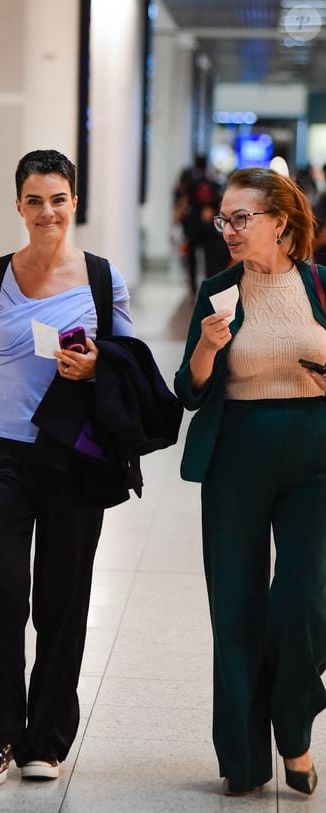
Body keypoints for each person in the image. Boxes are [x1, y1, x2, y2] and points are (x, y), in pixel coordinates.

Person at [0, 150, 136, 787]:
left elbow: (131, 365)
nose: (48, 212)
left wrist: (97, 365)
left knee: (62, 602)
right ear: (18, 205)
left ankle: (45, 739)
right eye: (35, 200)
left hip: (75, 458)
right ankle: (1, 735)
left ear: (75, 203)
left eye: (59, 199)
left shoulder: (103, 279)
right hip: (2, 456)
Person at [175, 167, 326, 797]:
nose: (229, 230)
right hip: (236, 458)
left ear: (279, 222)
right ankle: (242, 757)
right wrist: (207, 350)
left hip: (315, 461)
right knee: (235, 606)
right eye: (224, 219)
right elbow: (188, 390)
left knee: (304, 602)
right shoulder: (218, 290)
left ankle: (294, 727)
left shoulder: (321, 285)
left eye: (242, 218)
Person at [181, 155, 230, 294]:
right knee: (210, 257)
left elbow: (184, 203)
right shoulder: (213, 184)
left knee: (192, 258)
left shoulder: (190, 184)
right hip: (209, 227)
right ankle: (209, 285)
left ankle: (193, 287)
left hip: (193, 226)